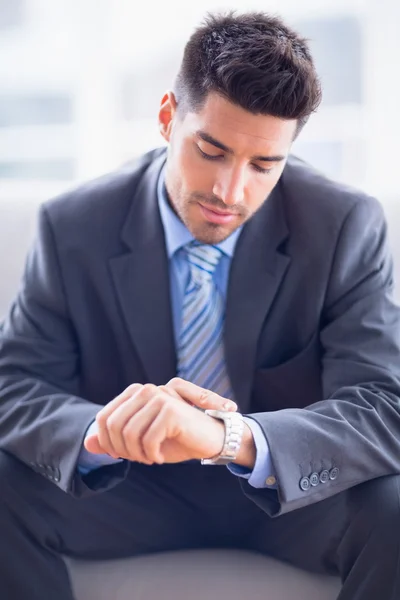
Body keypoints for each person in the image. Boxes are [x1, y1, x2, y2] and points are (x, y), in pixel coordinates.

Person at [0, 10, 399, 600]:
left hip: (289, 494)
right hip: (130, 491)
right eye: (211, 151)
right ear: (168, 117)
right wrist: (105, 431)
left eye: (264, 165)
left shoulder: (344, 224)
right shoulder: (73, 226)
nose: (230, 192)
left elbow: (382, 406)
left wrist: (226, 436)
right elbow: (15, 386)